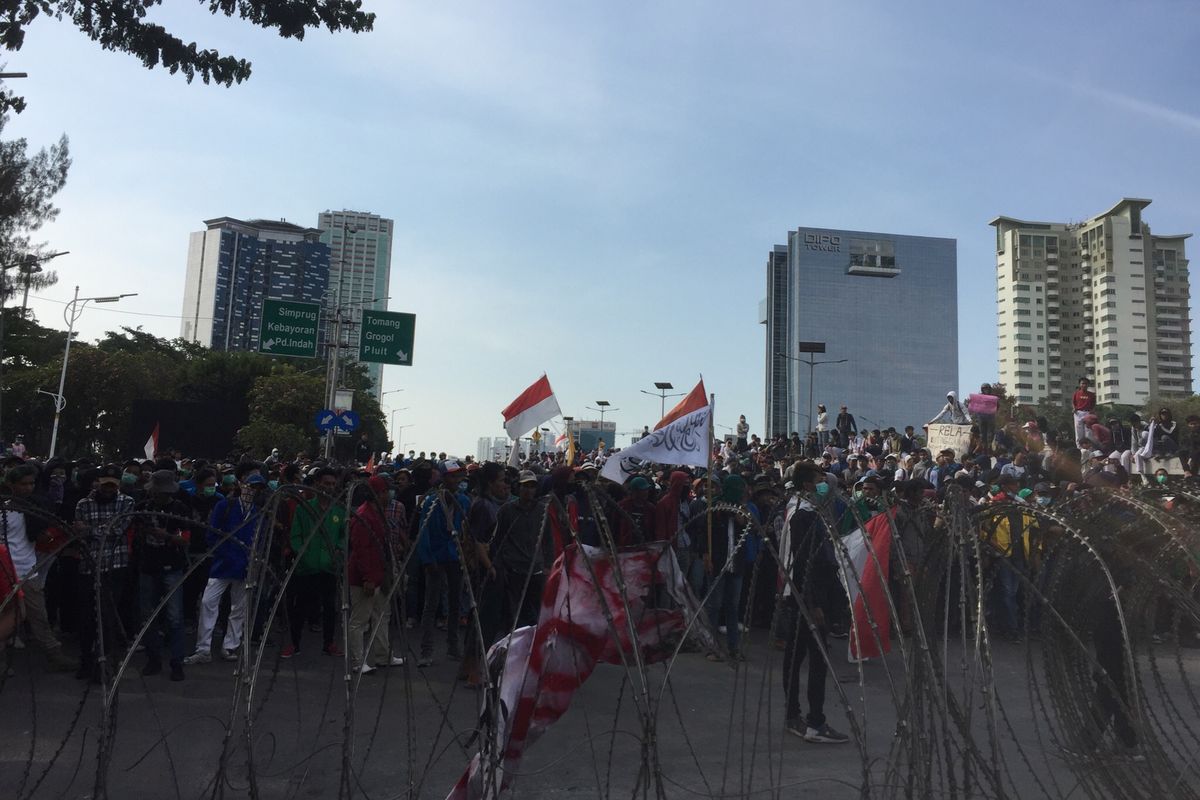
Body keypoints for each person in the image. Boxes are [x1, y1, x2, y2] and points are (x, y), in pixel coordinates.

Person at [779, 464, 848, 743]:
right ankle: (814, 723)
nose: (824, 484)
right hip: (808, 597)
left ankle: (794, 716)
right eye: (820, 479)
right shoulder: (803, 516)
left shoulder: (802, 511)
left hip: (800, 594)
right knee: (815, 659)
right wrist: (815, 603)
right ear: (808, 484)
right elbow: (805, 562)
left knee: (795, 658)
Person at [185, 469, 266, 664]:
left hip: (244, 567)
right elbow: (212, 534)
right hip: (222, 564)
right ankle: (203, 648)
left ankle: (230, 646)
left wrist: (253, 560)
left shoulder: (257, 513)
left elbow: (260, 540)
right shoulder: (225, 506)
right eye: (251, 486)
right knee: (207, 603)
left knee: (238, 608)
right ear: (242, 485)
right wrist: (225, 552)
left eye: (258, 488)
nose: (253, 491)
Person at [1, 465, 76, 671]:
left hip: (26, 568)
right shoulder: (4, 510)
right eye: (23, 484)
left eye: (31, 483)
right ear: (11, 485)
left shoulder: (34, 509)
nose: (28, 488)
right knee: (10, 614)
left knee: (38, 614)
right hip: (5, 570)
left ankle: (54, 654)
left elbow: (40, 535)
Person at [74, 464, 137, 682]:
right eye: (105, 484)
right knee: (86, 617)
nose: (109, 489)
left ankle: (104, 664)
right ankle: (86, 661)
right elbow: (79, 533)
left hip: (114, 566)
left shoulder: (127, 502)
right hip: (89, 566)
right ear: (98, 483)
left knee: (108, 616)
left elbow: (117, 529)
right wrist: (96, 531)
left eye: (113, 485)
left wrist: (90, 530)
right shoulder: (83, 504)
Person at [285, 467, 346, 658]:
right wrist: (303, 555)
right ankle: (294, 644)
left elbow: (344, 536)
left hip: (329, 567)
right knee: (300, 608)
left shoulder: (338, 510)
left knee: (329, 608)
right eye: (326, 483)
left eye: (333, 484)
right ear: (317, 483)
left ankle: (328, 644)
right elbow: (295, 536)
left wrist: (338, 550)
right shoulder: (305, 508)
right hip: (307, 567)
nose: (329, 487)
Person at [347, 476, 404, 674]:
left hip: (378, 574)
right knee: (360, 620)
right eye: (386, 491)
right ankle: (357, 661)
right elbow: (361, 550)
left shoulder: (376, 513)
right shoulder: (364, 515)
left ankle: (383, 655)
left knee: (381, 615)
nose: (389, 494)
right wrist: (367, 578)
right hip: (365, 577)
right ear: (378, 493)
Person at [416, 460, 469, 667]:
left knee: (456, 603)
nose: (456, 480)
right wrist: (428, 560)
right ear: (444, 478)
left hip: (454, 556)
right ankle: (426, 650)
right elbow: (424, 532)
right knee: (431, 604)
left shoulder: (463, 501)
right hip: (436, 557)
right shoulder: (432, 502)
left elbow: (465, 528)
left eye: (458, 476)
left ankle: (453, 647)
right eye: (452, 476)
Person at [1072, 378, 1096, 447]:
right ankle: (1079, 448)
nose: (1084, 385)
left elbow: (1093, 405)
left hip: (1087, 413)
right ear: (1080, 384)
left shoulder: (1091, 395)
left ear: (1088, 385)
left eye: (1086, 383)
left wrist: (1092, 411)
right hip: (1078, 413)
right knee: (1079, 432)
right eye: (1082, 383)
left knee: (1088, 432)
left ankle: (1089, 448)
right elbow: (1073, 403)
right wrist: (1074, 409)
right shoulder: (1076, 393)